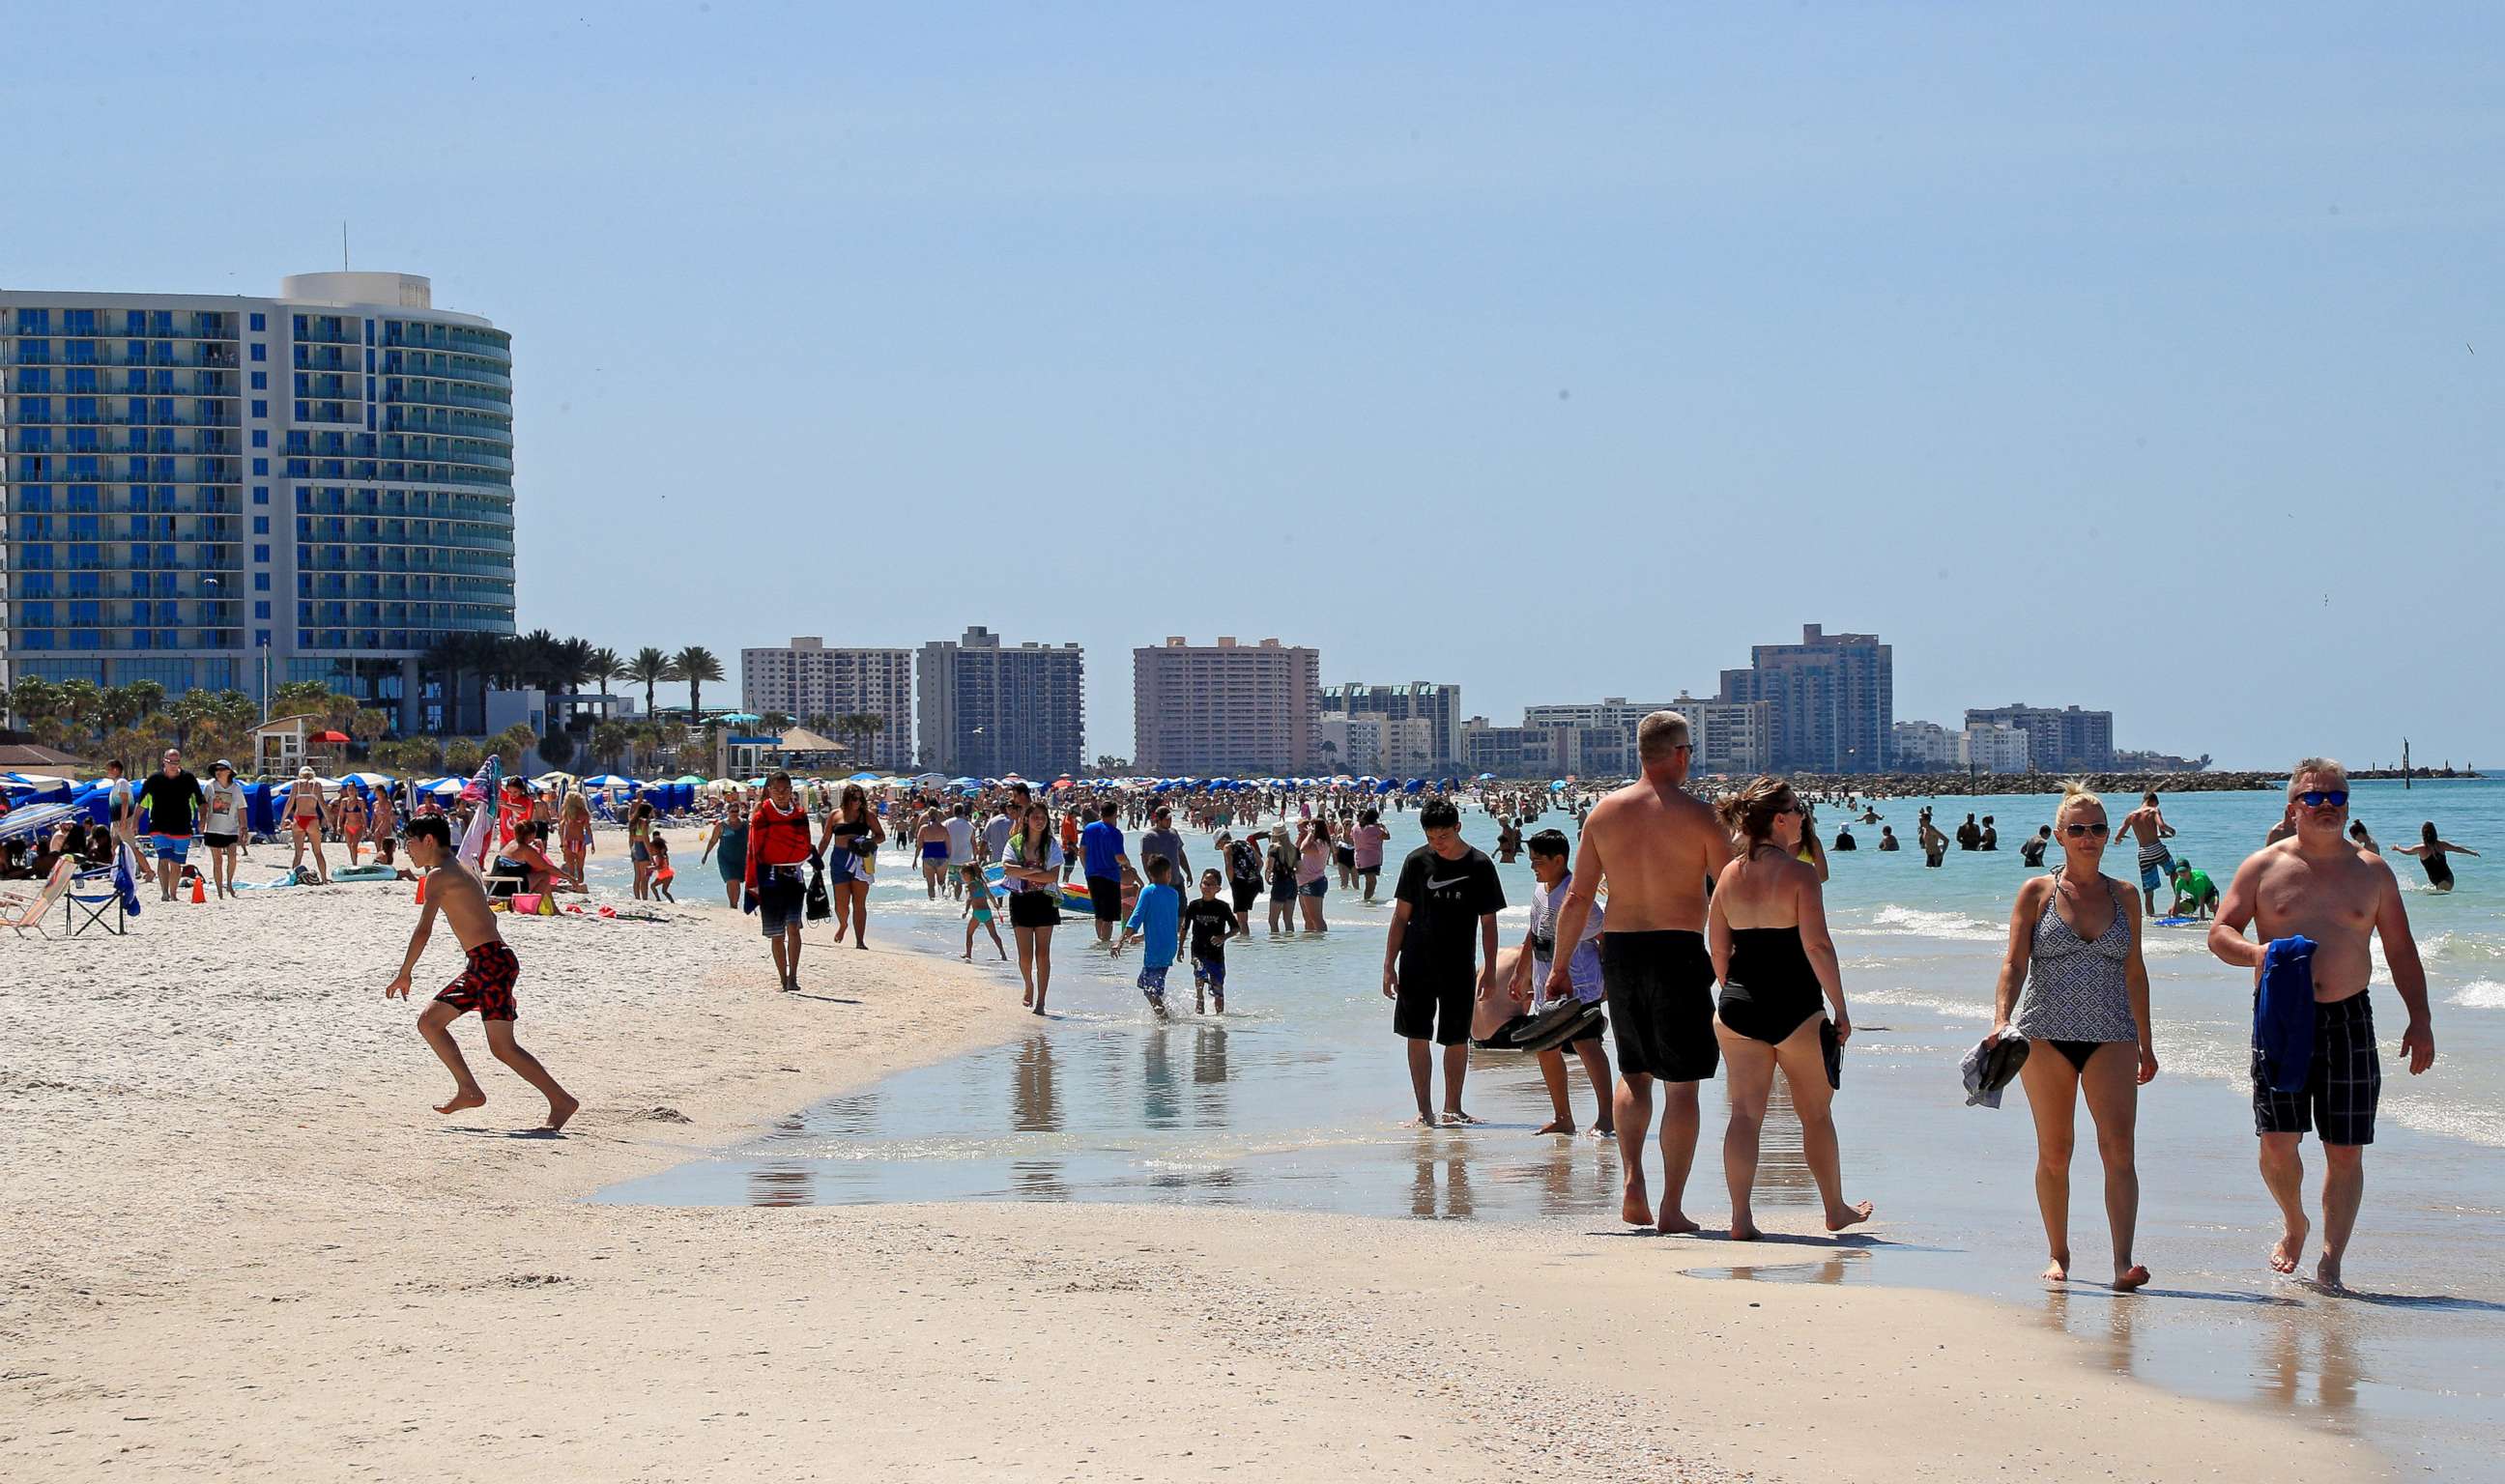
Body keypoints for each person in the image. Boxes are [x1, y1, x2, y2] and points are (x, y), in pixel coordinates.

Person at [2209, 758, 2436, 1287]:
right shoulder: (2263, 867)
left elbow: (2401, 951)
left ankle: (2331, 1259)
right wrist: (2256, 953)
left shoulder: (2373, 871)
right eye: (2314, 798)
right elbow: (2220, 932)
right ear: (2293, 808)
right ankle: (2295, 1222)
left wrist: (2419, 1018)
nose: (2327, 805)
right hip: (2281, 1017)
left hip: (2349, 1016)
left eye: (2336, 797)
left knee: (2346, 1146)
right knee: (2277, 1141)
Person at [1547, 711, 1731, 1232]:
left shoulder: (1605, 813)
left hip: (1621, 952)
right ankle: (1671, 1207)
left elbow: (1579, 897)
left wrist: (1560, 967)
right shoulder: (1702, 817)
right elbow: (1729, 894)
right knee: (1684, 1085)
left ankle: (1632, 1181)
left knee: (1635, 1073)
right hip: (1678, 951)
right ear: (1679, 753)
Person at [1987, 782, 2157, 1289]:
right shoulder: (2037, 892)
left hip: (2113, 1035)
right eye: (2078, 829)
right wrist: (2001, 1019)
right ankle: (2058, 1254)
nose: (2089, 837)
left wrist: (2147, 1043)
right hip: (2044, 1035)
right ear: (2060, 835)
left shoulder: (2125, 895)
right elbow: (2015, 962)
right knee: (2055, 1150)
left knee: (2118, 1149)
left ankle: (2122, 1261)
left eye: (2098, 828)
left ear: (2109, 834)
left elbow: (2135, 971)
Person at [1708, 778, 1870, 1240]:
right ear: (1779, 820)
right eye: (1798, 810)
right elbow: (1817, 945)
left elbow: (1718, 948)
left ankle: (1740, 1219)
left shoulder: (1728, 875)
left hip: (1737, 1006)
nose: (1803, 817)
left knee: (1744, 1114)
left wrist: (1734, 991)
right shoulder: (1799, 874)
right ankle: (1835, 1210)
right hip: (1796, 1007)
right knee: (1815, 1113)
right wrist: (1841, 1008)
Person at [386, 814, 578, 1131]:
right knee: (430, 1022)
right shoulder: (462, 868)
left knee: (502, 1047)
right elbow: (489, 916)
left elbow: (424, 930)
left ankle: (560, 1101)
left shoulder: (438, 876)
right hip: (486, 963)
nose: (408, 849)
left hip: (490, 964)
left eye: (411, 842)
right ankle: (469, 1090)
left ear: (429, 841)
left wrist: (405, 972)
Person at [1382, 798, 1504, 1126]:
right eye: (1432, 838)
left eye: (1444, 837)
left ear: (1458, 828)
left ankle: (1453, 1108)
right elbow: (1400, 917)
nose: (1438, 845)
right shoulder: (1416, 862)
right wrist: (1388, 965)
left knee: (1456, 1037)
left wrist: (1490, 970)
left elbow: (1488, 923)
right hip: (1416, 963)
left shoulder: (1479, 865)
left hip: (1458, 964)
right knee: (1416, 1035)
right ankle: (1424, 1111)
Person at [1512, 828, 1613, 1138]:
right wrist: (1521, 972)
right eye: (1531, 861)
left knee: (1587, 1045)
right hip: (1547, 984)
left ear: (1559, 860)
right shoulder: (1541, 888)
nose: (1533, 867)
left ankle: (1607, 1118)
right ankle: (1563, 1117)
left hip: (1580, 984)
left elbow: (1603, 937)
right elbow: (1535, 933)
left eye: (1538, 861)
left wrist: (1608, 979)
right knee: (1546, 1048)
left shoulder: (1577, 895)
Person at [743, 771, 816, 993]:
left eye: (785, 790)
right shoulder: (761, 817)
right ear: (770, 791)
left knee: (793, 927)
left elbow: (805, 843)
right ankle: (783, 979)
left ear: (791, 790)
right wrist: (753, 881)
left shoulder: (799, 815)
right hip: (770, 879)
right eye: (777, 790)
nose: (782, 795)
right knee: (777, 934)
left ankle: (793, 976)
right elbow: (755, 850)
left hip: (794, 876)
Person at [1000, 801, 1064, 1013]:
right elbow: (1008, 870)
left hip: (1045, 900)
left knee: (1043, 954)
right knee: (1025, 956)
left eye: (1043, 817)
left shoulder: (1052, 845)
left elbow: (1053, 876)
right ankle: (1028, 984)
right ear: (1026, 819)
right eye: (1036, 817)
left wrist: (1024, 871)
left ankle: (1042, 1001)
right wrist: (1037, 873)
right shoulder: (1015, 843)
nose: (1040, 821)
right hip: (1020, 900)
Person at [1114, 856, 1184, 1017]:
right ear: (1168, 873)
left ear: (1150, 874)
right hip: (1169, 947)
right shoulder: (1173, 894)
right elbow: (1166, 923)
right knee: (1146, 984)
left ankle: (1166, 1020)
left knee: (1150, 991)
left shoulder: (1148, 891)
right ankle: (1168, 1013)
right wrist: (1143, 936)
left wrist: (1120, 941)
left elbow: (1135, 918)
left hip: (1156, 950)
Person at [819, 784, 884, 948]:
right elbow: (826, 839)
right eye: (855, 798)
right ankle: (843, 924)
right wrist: (816, 859)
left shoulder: (867, 815)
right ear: (847, 799)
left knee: (859, 902)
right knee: (841, 903)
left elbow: (881, 836)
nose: (858, 802)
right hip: (839, 859)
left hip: (861, 860)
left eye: (861, 798)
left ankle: (860, 941)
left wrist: (869, 842)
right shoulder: (835, 815)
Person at [137, 749, 204, 903]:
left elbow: (201, 802)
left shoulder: (188, 779)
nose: (174, 765)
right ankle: (165, 892)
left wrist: (203, 820)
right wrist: (134, 822)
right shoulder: (154, 779)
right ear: (164, 761)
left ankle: (173, 894)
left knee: (176, 863)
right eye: (170, 761)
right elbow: (141, 803)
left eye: (176, 762)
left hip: (182, 828)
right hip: (159, 826)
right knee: (163, 859)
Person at [1183, 868, 1241, 1013]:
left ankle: (1219, 1018)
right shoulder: (1194, 905)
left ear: (1218, 888)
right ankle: (1199, 999)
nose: (1207, 887)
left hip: (1216, 953)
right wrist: (1179, 948)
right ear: (1200, 885)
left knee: (1218, 987)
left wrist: (1223, 937)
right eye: (1204, 883)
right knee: (1199, 971)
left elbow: (1236, 928)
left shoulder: (1222, 907)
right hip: (1198, 950)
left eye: (1211, 885)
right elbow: (1185, 927)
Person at [2115, 791, 2176, 919]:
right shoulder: (2153, 811)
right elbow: (2162, 826)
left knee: (2149, 890)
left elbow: (2118, 835)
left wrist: (2119, 839)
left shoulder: (2131, 815)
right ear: (2153, 801)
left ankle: (2151, 917)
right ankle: (2178, 900)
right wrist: (2172, 830)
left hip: (2143, 853)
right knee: (2173, 872)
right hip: (2156, 848)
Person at [1080, 801, 1130, 945]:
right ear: (1115, 813)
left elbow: (1082, 852)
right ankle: (1105, 944)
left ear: (1101, 812)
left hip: (1092, 875)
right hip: (1110, 877)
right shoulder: (1115, 833)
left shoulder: (1089, 828)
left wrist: (1087, 869)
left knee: (1099, 913)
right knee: (1108, 916)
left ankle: (1100, 941)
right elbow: (1119, 857)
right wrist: (1127, 864)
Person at [201, 760, 245, 900]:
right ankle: (219, 890)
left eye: (221, 769)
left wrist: (244, 826)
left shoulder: (236, 788)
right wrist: (201, 820)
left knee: (232, 857)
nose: (218, 771)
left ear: (229, 772)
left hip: (231, 829)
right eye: (216, 769)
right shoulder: (210, 786)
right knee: (217, 860)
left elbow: (242, 808)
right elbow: (203, 805)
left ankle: (230, 884)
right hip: (213, 828)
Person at [2393, 821, 2478, 892]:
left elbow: (2407, 852)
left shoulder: (2424, 848)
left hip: (2446, 880)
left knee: (2440, 897)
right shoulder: (2438, 845)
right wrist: (2472, 852)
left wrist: (2398, 848)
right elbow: (2457, 848)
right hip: (2442, 881)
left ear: (2423, 835)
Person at [103, 759, 150, 883]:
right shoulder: (115, 784)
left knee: (132, 847)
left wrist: (124, 820)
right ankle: (117, 872)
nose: (107, 772)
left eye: (109, 769)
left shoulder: (122, 782)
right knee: (114, 847)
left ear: (116, 769)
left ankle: (149, 871)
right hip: (115, 821)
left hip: (123, 820)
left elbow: (125, 802)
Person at [700, 798, 747, 908]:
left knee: (737, 881)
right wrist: (706, 855)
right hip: (725, 857)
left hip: (741, 857)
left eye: (736, 811)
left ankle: (735, 904)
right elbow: (713, 841)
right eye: (732, 811)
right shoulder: (721, 825)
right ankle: (733, 904)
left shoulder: (745, 824)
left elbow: (752, 840)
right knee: (732, 880)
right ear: (727, 812)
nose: (734, 814)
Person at [961, 865, 1007, 961]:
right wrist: (995, 904)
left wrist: (966, 910)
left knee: (969, 934)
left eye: (963, 875)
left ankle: (968, 954)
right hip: (987, 912)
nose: (963, 878)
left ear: (968, 874)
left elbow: (969, 898)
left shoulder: (970, 886)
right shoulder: (981, 883)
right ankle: (1003, 954)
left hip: (977, 913)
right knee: (994, 935)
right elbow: (990, 895)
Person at [1295, 816, 1332, 933]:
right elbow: (1297, 849)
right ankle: (1310, 943)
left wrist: (1310, 834)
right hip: (1305, 882)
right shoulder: (1314, 841)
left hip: (1313, 882)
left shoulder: (1321, 843)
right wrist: (1303, 835)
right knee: (1308, 918)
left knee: (1316, 919)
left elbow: (1303, 849)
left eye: (1311, 827)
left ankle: (1320, 944)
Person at [1350, 808, 1390, 902]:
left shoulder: (1355, 827)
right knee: (1371, 882)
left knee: (1370, 881)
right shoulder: (1374, 828)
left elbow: (1352, 837)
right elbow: (1387, 836)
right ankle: (1366, 902)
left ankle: (1367, 901)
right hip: (1371, 859)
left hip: (1359, 858)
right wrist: (1383, 826)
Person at [1265, 825, 1298, 934]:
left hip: (1279, 884)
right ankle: (1289, 945)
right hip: (1292, 884)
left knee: (1272, 921)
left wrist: (1267, 878)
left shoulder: (1273, 848)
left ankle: (1277, 946)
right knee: (1288, 920)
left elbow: (1269, 868)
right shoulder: (1294, 848)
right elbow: (1300, 869)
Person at [1225, 831, 1265, 918]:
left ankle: (1244, 932)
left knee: (1242, 920)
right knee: (1244, 915)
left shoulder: (1227, 847)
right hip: (1255, 883)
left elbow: (1229, 868)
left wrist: (1232, 882)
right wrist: (1254, 874)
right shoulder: (1246, 843)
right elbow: (1261, 863)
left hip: (1240, 884)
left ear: (1221, 841)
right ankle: (1245, 931)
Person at [916, 810, 953, 899]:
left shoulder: (924, 828)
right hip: (942, 857)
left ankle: (932, 901)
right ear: (938, 816)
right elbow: (949, 846)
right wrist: (949, 859)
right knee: (941, 882)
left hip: (928, 857)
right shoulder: (943, 829)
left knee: (930, 884)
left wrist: (915, 859)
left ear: (928, 816)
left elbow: (919, 845)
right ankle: (944, 900)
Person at [943, 802, 976, 899]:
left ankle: (950, 889)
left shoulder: (947, 823)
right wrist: (975, 856)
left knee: (950, 879)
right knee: (960, 883)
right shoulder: (969, 825)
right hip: (964, 859)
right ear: (963, 811)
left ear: (954, 811)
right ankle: (957, 899)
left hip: (951, 858)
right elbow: (973, 842)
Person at [627, 798, 656, 899]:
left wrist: (632, 850)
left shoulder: (633, 821)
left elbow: (630, 839)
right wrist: (650, 855)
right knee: (645, 877)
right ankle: (644, 899)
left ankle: (637, 898)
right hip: (642, 847)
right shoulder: (644, 822)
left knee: (637, 877)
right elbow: (645, 838)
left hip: (635, 846)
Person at [647, 832, 677, 902]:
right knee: (653, 886)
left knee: (664, 891)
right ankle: (658, 899)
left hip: (667, 875)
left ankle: (672, 902)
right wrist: (652, 867)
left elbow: (660, 866)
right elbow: (658, 866)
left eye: (653, 849)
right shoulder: (658, 856)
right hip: (661, 875)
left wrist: (651, 868)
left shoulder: (661, 856)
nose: (652, 851)